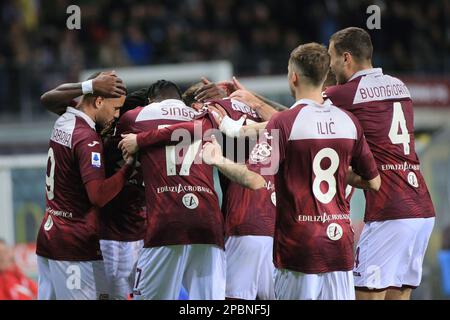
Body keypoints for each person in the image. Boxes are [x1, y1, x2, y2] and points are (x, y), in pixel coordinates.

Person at [201, 43, 380, 300]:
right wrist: (341, 173)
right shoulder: (348, 122)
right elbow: (373, 183)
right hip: (339, 245)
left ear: (293, 76)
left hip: (300, 246)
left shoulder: (284, 123)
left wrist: (218, 159)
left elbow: (254, 180)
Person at [325, 27, 436, 300]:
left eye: (332, 57)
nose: (330, 64)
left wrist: (252, 100)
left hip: (391, 210)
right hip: (421, 209)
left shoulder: (345, 93)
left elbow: (297, 118)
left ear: (346, 58)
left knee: (365, 294)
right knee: (399, 294)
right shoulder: (400, 86)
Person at [117, 80, 226, 300]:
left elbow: (118, 143)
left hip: (167, 221)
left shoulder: (137, 116)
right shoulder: (200, 114)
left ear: (150, 100)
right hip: (209, 220)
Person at [41, 83, 149, 300]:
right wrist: (128, 168)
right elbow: (98, 196)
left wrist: (87, 86)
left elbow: (48, 99)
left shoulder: (67, 120)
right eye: (116, 109)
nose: (116, 115)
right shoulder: (88, 137)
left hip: (50, 234)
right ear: (99, 102)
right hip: (76, 242)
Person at [184, 82, 277, 300]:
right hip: (275, 223)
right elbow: (291, 116)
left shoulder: (210, 112)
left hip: (244, 221)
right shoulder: (260, 110)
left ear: (198, 103)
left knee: (234, 302)